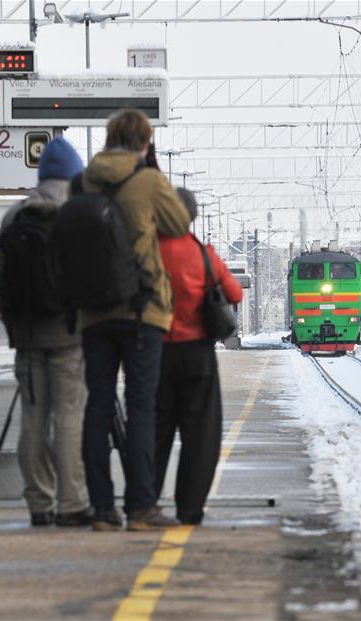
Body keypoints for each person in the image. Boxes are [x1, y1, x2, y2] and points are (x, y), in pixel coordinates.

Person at [76, 109, 191, 531]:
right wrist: (153, 171)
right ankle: (141, 507)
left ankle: (102, 509)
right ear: (145, 142)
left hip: (93, 311)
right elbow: (179, 222)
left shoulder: (83, 180)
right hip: (142, 308)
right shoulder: (147, 180)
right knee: (142, 406)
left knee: (98, 405)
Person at [0, 137, 91, 527]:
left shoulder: (15, 217)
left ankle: (38, 501)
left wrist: (15, 326)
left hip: (28, 336)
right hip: (70, 336)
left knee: (33, 418)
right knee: (68, 418)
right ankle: (72, 503)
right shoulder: (76, 216)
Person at [154, 189, 243, 525]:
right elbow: (234, 292)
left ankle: (146, 501)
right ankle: (189, 509)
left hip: (157, 352)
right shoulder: (203, 255)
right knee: (200, 433)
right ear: (191, 217)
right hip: (198, 354)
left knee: (155, 430)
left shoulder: (149, 251)